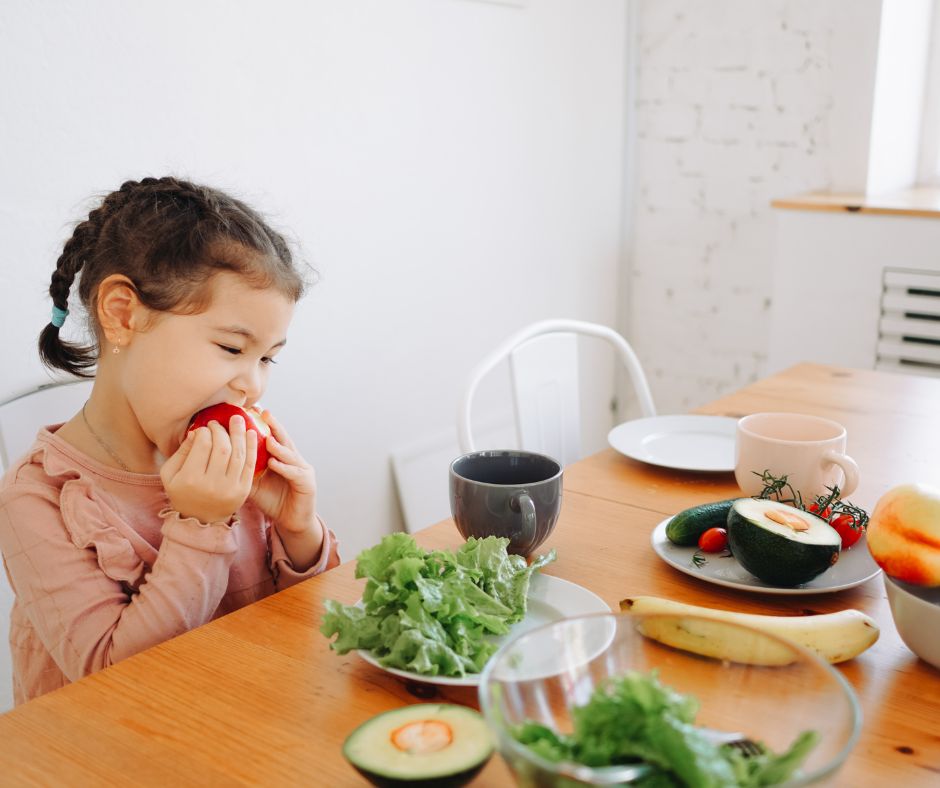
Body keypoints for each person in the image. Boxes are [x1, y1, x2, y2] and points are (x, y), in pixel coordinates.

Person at [0, 177, 340, 705]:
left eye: (267, 357)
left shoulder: (230, 459)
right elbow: (113, 681)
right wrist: (200, 525)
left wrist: (299, 534)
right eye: (231, 347)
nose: (254, 384)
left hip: (244, 719)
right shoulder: (34, 499)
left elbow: (310, 631)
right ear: (123, 315)